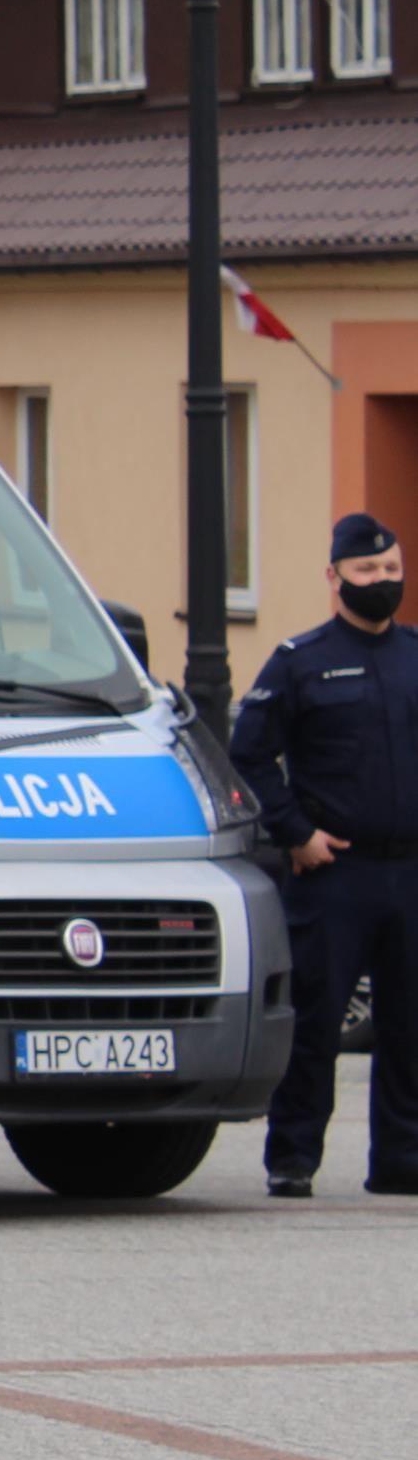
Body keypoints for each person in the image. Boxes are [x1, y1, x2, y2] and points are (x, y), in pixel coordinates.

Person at [227, 510, 418, 1199]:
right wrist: (294, 831)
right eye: (367, 571)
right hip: (333, 872)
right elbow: (247, 753)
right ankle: (293, 1157)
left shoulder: (415, 655)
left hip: (409, 872)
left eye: (391, 570)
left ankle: (401, 1158)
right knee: (316, 1023)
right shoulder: (300, 660)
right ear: (334, 577)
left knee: (409, 1025)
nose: (381, 581)